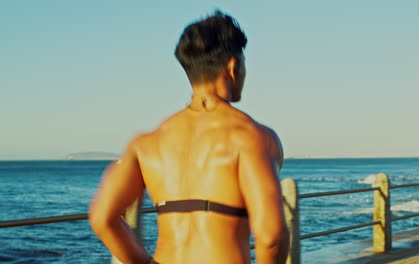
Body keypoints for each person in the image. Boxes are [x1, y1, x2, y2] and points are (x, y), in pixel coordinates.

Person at [89, 10, 289, 264]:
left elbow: (102, 218)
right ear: (233, 66)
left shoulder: (146, 143)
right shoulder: (252, 138)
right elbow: (271, 234)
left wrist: (144, 262)